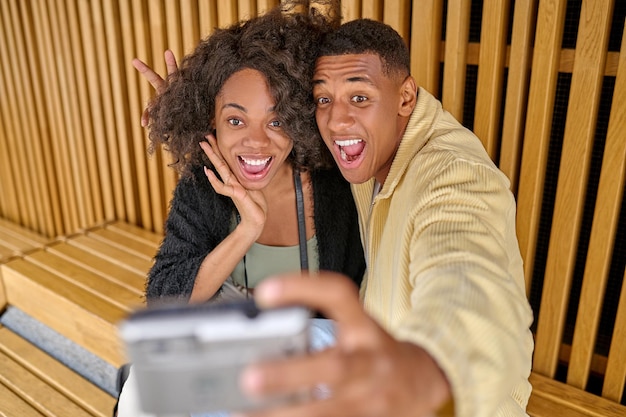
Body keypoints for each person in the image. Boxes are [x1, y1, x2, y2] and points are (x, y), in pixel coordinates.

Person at [234, 18, 535, 417]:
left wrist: (428, 372)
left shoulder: (456, 175)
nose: (337, 120)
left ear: (405, 97)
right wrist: (189, 107)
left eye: (359, 97)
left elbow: (468, 281)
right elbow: (269, 127)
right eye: (324, 99)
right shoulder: (365, 150)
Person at [115, 3, 364, 416]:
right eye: (235, 120)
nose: (256, 143)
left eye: (276, 120)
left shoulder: (335, 183)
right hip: (224, 354)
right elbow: (166, 297)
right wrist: (246, 228)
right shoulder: (205, 185)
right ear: (210, 122)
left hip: (309, 361)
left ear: (300, 118)